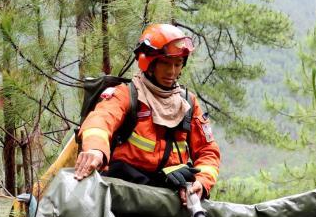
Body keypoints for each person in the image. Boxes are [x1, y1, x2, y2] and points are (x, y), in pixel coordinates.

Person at [74, 23, 221, 205]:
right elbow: (101, 119)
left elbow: (208, 151)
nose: (172, 71)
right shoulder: (127, 94)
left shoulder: (188, 103)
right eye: (165, 63)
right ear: (148, 63)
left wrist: (202, 182)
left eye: (177, 64)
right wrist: (95, 149)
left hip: (169, 200)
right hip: (125, 197)